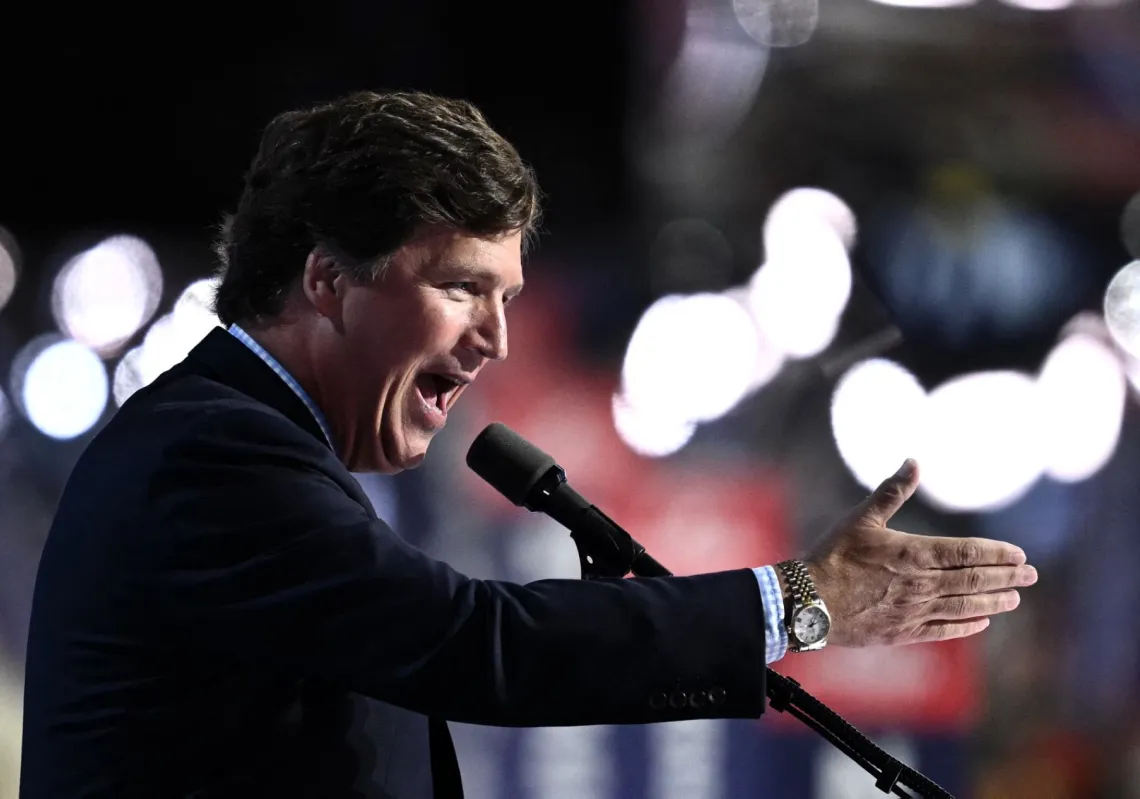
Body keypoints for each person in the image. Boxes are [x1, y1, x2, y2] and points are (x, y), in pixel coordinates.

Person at [19, 90, 1038, 799]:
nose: (496, 340)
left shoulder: (257, 445)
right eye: (462, 287)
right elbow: (471, 644)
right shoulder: (212, 454)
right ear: (327, 281)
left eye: (506, 297)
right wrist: (799, 600)